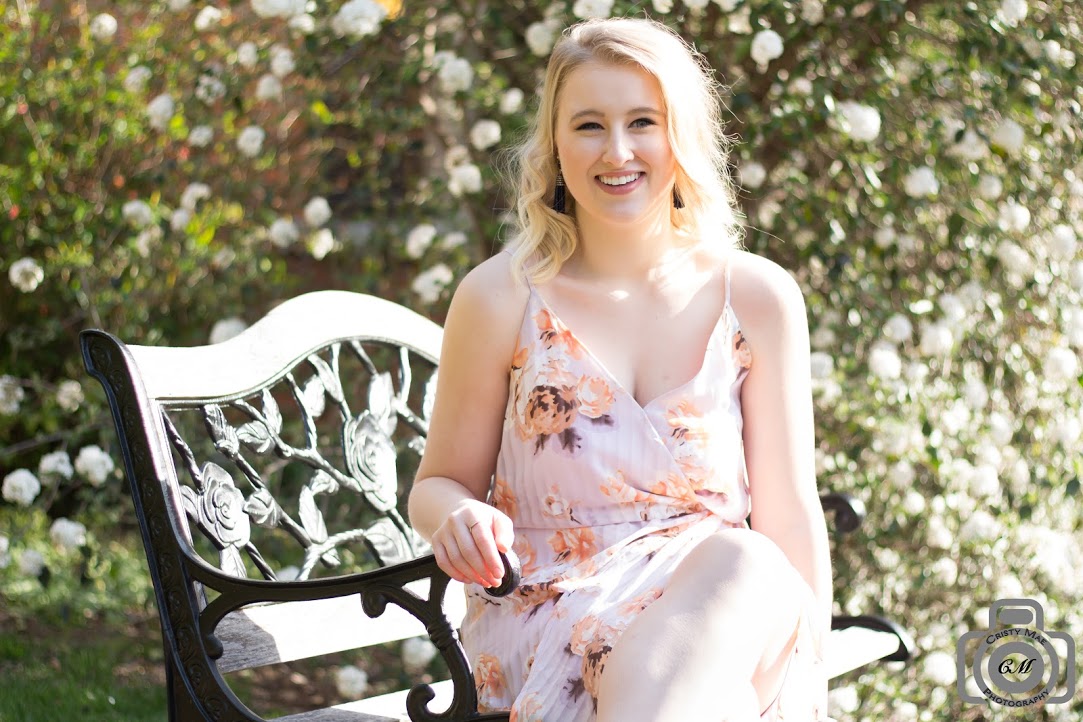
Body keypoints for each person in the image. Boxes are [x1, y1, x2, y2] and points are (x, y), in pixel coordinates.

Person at [408, 16, 832, 722]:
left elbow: (789, 510)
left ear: (681, 135)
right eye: (588, 126)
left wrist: (813, 679)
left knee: (745, 563)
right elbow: (437, 483)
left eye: (642, 122)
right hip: (553, 618)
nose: (617, 151)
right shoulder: (501, 296)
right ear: (554, 144)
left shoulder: (755, 297)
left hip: (721, 613)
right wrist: (456, 515)